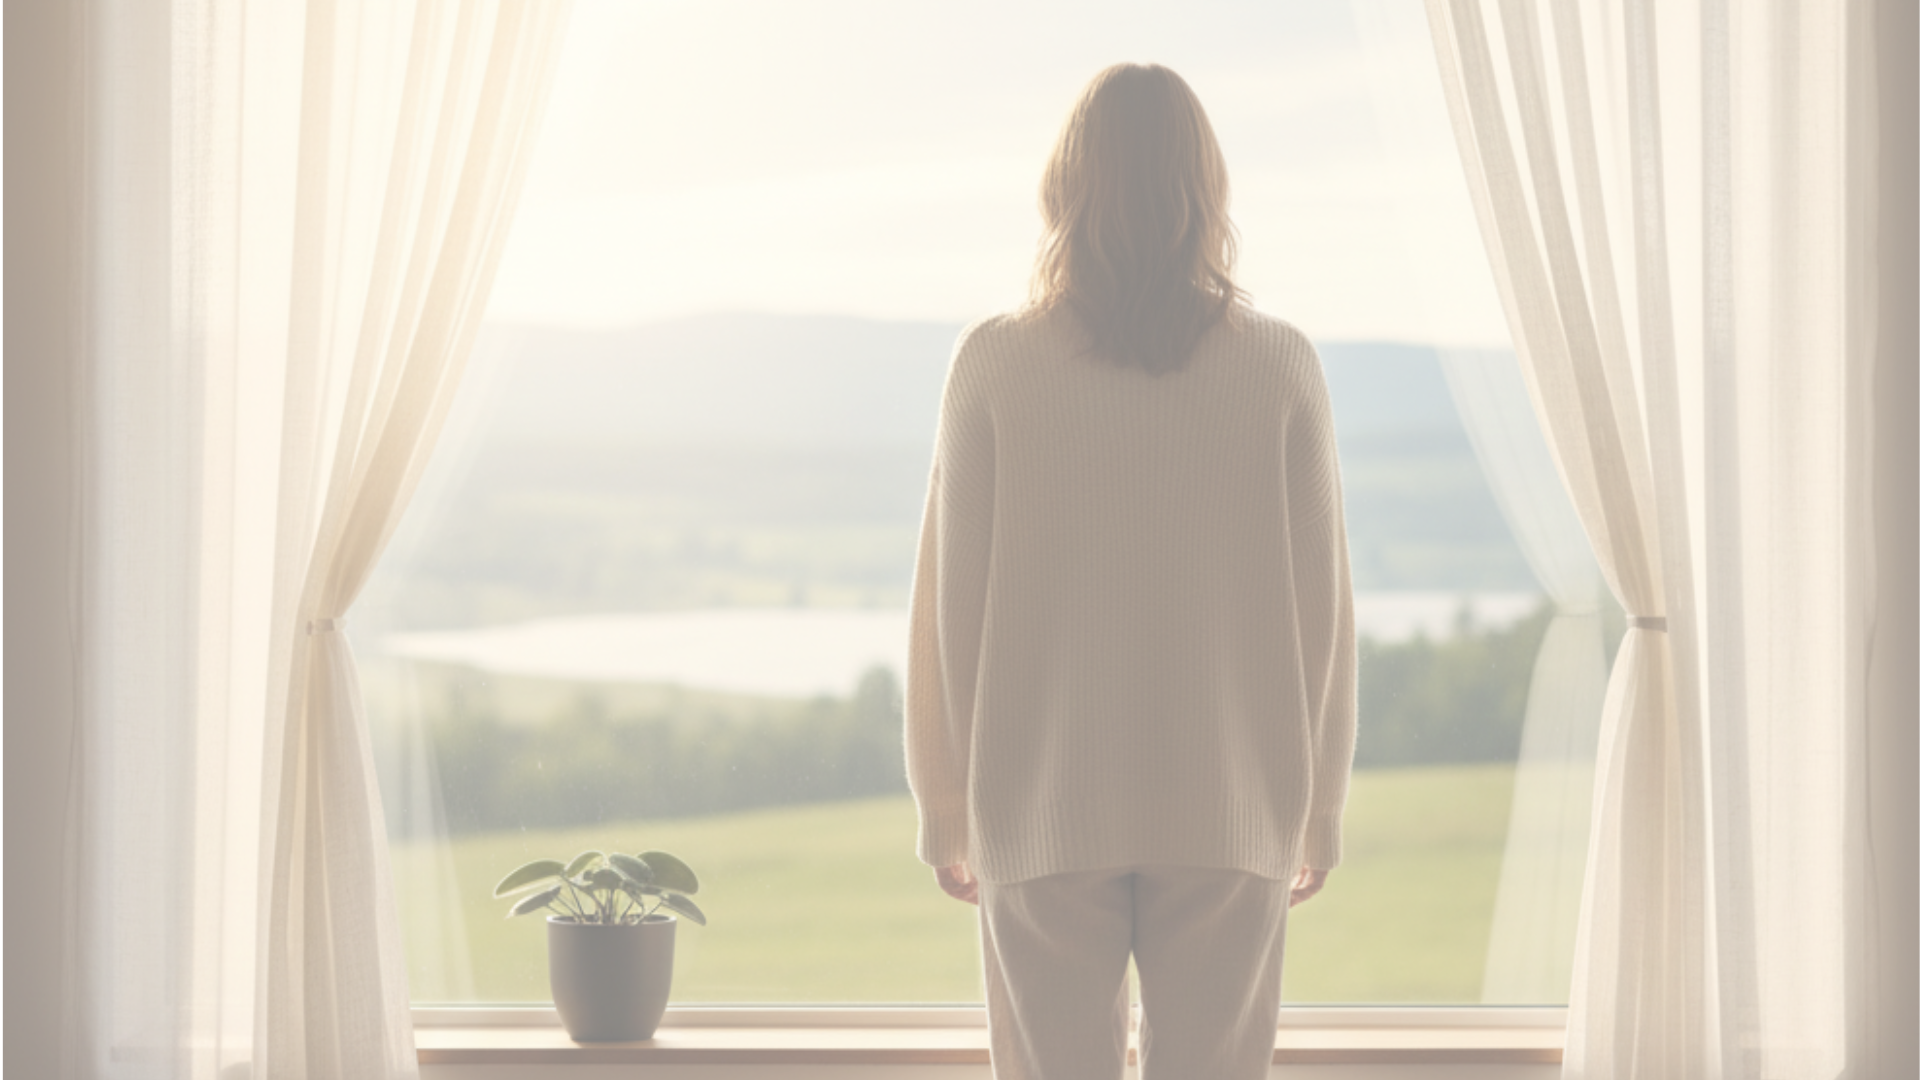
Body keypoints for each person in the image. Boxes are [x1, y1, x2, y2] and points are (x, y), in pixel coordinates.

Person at [902, 62, 1358, 1080]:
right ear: (1209, 191)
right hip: (1233, 808)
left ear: (1065, 189)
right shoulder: (1283, 365)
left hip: (1037, 807)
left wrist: (945, 806)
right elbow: (1322, 620)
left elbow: (948, 613)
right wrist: (1317, 807)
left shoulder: (993, 364)